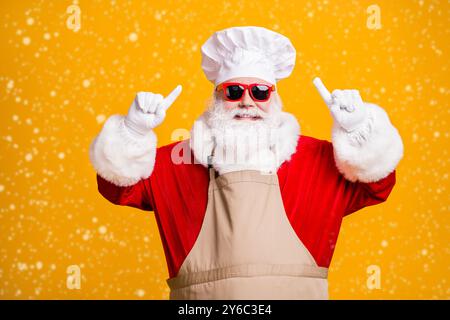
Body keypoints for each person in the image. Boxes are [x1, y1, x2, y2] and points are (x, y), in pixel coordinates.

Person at [89, 26, 404, 299]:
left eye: (260, 91)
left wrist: (360, 129)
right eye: (234, 90)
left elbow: (377, 185)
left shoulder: (317, 159)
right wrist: (132, 131)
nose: (247, 101)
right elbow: (116, 188)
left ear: (275, 97)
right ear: (217, 96)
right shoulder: (177, 162)